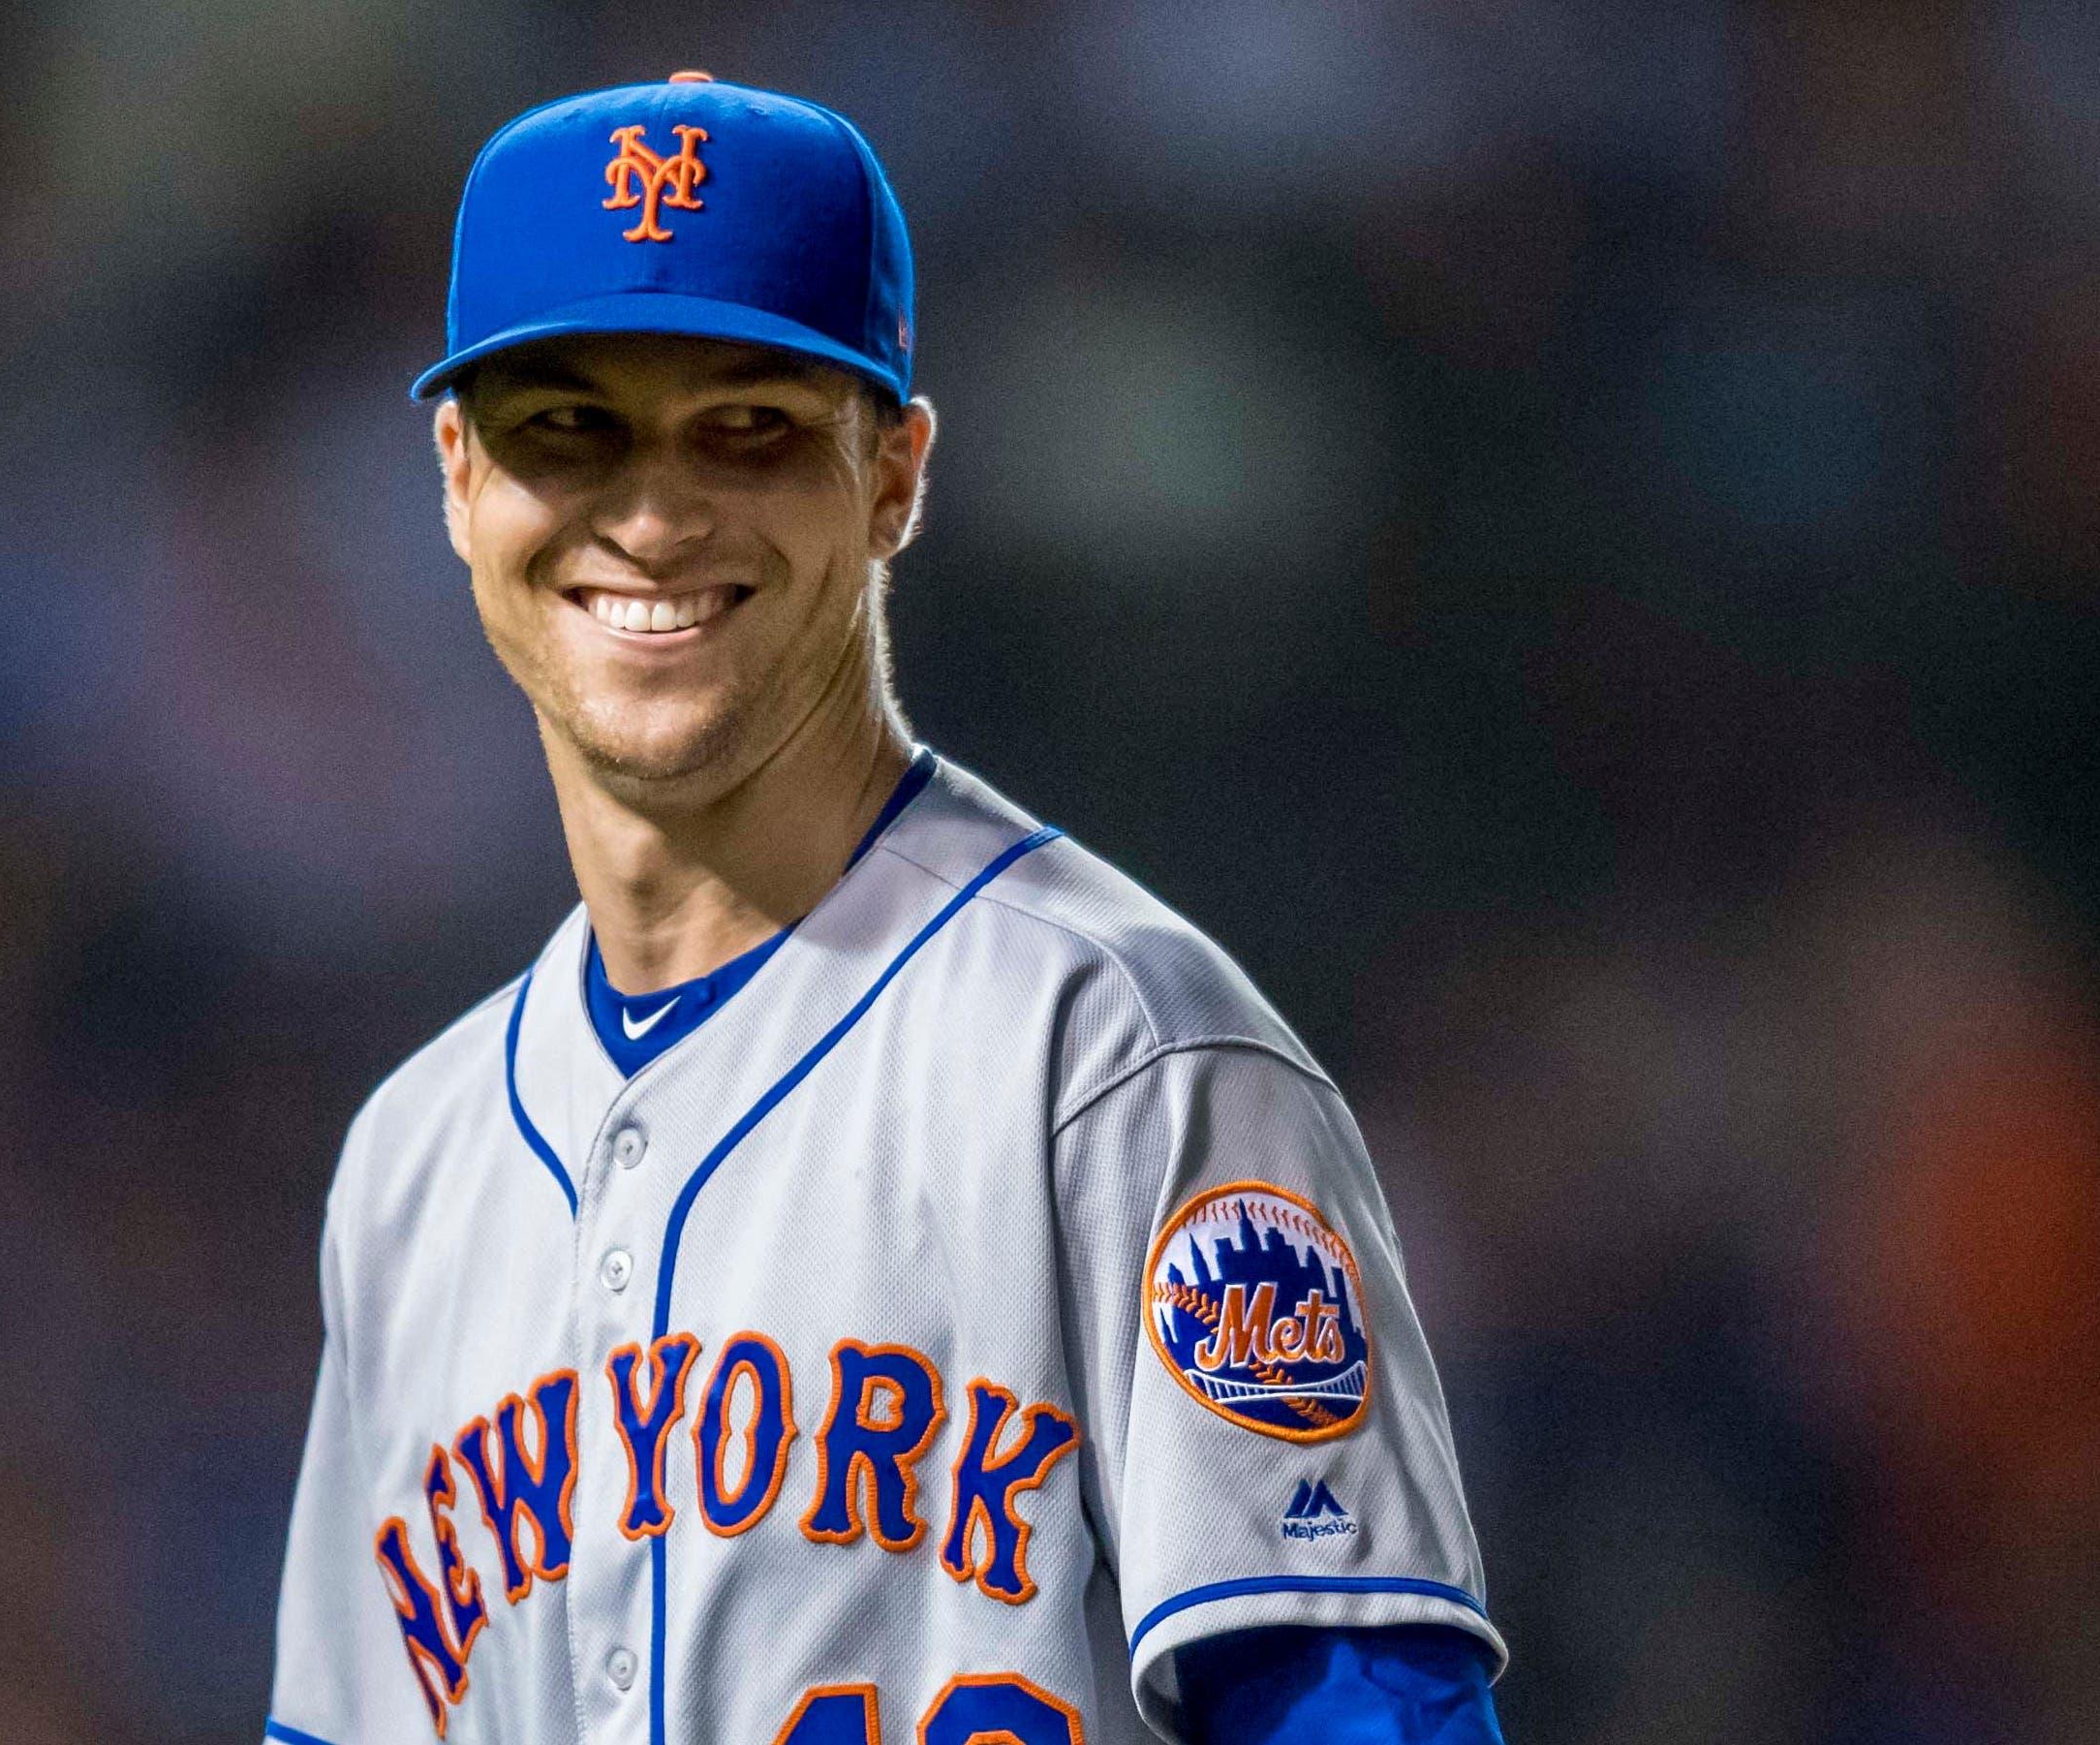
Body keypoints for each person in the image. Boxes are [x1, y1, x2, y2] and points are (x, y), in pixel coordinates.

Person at [266, 72, 1506, 1745]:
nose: (648, 511)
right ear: (455, 474)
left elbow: (1360, 1714)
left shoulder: (1119, 1055)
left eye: (750, 428)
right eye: (569, 425)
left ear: (894, 476)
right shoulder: (410, 1170)